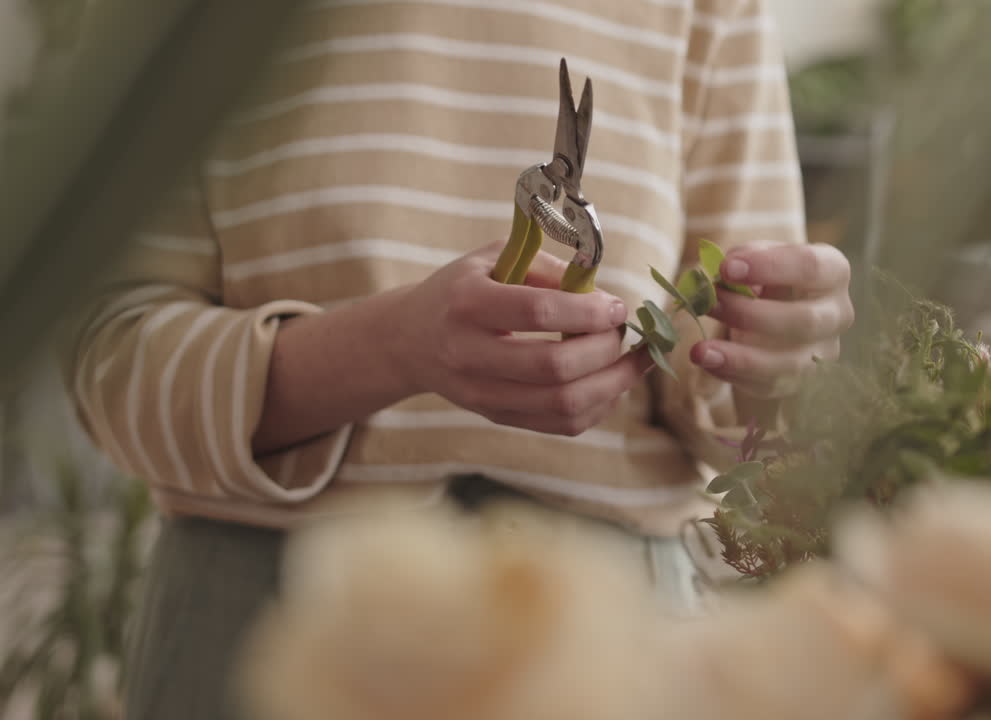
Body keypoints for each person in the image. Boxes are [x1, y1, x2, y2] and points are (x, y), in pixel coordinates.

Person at [59, 0, 854, 717]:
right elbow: (111, 351)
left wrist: (772, 360)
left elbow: (747, 405)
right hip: (269, 630)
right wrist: (391, 345)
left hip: (612, 647)